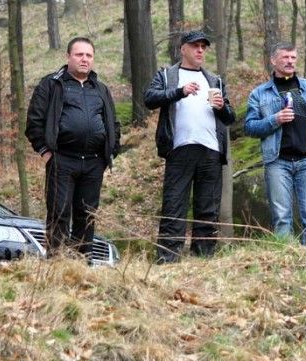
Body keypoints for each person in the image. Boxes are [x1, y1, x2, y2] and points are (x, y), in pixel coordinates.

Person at [144, 30, 236, 263]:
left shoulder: (214, 80)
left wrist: (221, 107)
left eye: (203, 47)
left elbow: (230, 118)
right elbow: (150, 98)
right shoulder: (167, 75)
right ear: (183, 48)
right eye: (195, 46)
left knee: (208, 208)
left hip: (211, 151)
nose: (200, 50)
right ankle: (168, 259)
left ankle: (203, 258)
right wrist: (179, 92)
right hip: (179, 149)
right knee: (174, 205)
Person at [25, 37, 121, 259]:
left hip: (94, 162)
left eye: (89, 55)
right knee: (59, 213)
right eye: (79, 54)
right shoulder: (51, 84)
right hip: (62, 160)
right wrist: (45, 152)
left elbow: (113, 123)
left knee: (86, 216)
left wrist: (110, 151)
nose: (84, 59)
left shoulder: (101, 89)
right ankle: (57, 264)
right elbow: (34, 122)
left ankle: (82, 264)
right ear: (68, 56)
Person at [244, 42, 306, 245]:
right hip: (277, 161)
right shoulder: (259, 93)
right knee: (281, 217)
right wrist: (275, 120)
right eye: (285, 57)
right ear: (273, 60)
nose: (290, 61)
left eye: (293, 57)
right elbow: (249, 127)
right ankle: (285, 257)